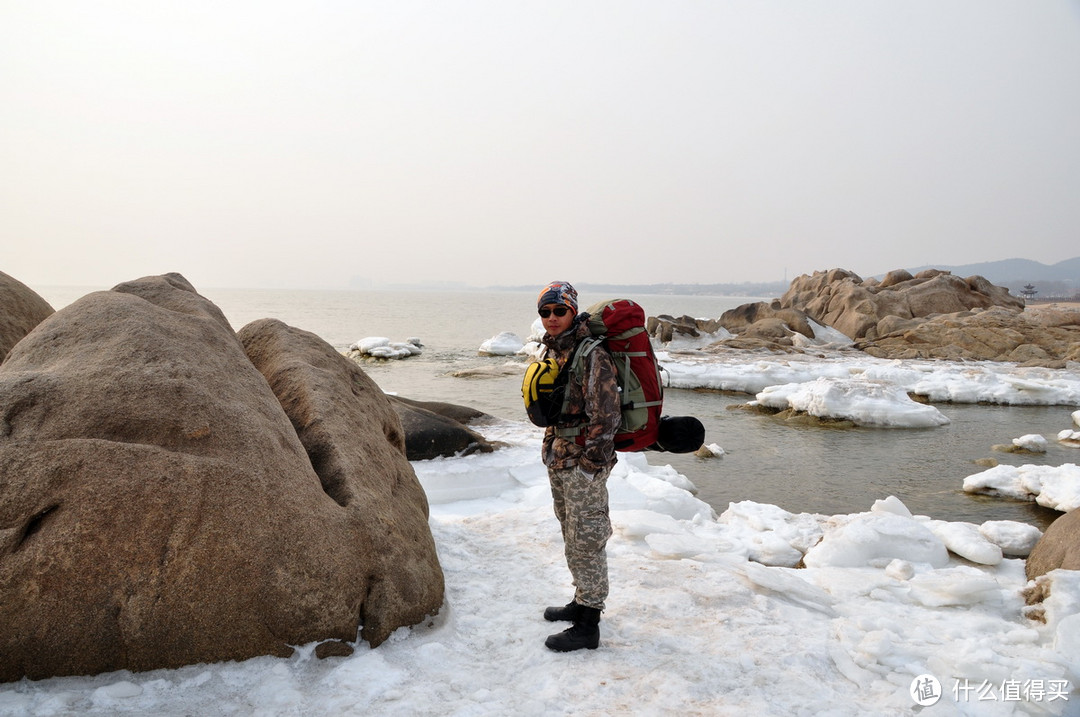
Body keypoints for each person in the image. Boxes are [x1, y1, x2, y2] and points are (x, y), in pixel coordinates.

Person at [535, 281, 621, 652]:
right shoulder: (555, 350)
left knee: (587, 540)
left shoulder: (591, 354)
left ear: (572, 311)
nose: (551, 318)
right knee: (571, 534)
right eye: (545, 312)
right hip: (560, 457)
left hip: (583, 462)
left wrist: (589, 465)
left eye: (558, 311)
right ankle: (580, 599)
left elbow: (607, 415)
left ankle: (589, 624)